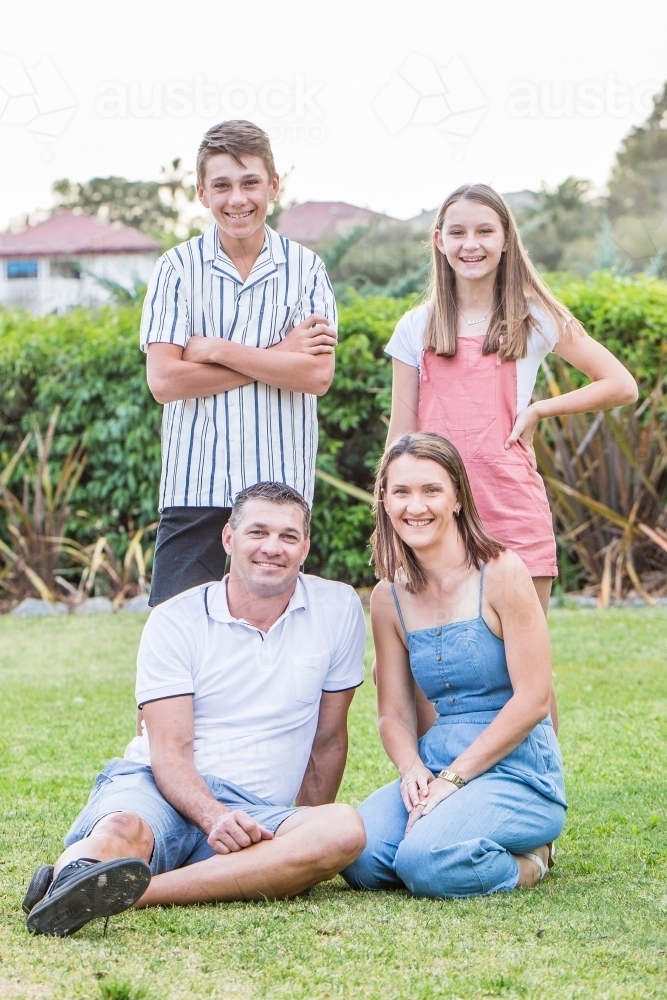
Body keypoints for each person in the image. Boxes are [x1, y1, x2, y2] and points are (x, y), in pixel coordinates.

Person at [24, 482, 366, 937]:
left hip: (255, 814)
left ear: (305, 547)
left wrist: (298, 841)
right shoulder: (175, 620)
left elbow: (328, 739)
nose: (272, 548)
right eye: (257, 532)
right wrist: (213, 817)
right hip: (160, 785)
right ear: (228, 539)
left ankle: (120, 893)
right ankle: (76, 877)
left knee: (342, 829)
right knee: (123, 828)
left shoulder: (338, 608)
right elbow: (168, 751)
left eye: (288, 536)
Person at [384, 183, 637, 734]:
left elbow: (621, 383)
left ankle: (541, 789)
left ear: (504, 240)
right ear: (438, 241)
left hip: (512, 509)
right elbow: (400, 433)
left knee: (526, 669)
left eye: (483, 231)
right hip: (433, 519)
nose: (470, 243)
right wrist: (393, 516)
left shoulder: (533, 317)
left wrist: (541, 409)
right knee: (439, 668)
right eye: (457, 232)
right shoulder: (416, 328)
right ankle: (442, 791)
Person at [342, 432, 566, 899]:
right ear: (384, 500)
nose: (414, 506)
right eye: (401, 491)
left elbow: (532, 701)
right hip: (438, 758)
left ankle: (532, 859)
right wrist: (412, 771)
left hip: (517, 769)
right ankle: (448, 839)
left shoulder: (503, 573)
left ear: (458, 498)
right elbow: (395, 713)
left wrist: (454, 780)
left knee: (424, 861)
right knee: (358, 854)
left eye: (431, 490)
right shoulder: (389, 597)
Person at [141, 119, 338, 607]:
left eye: (250, 182)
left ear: (273, 185)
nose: (237, 199)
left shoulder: (306, 269)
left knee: (276, 634)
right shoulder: (176, 268)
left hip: (280, 487)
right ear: (202, 193)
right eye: (222, 185)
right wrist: (277, 356)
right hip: (195, 483)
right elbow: (165, 380)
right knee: (178, 632)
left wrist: (216, 349)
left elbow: (315, 375)